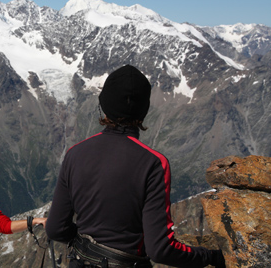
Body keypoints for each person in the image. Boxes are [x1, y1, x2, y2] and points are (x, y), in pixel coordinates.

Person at [46, 65, 225, 268]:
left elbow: (55, 229)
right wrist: (210, 257)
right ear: (144, 109)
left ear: (104, 104)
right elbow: (160, 249)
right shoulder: (154, 163)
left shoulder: (74, 154)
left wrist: (85, 239)